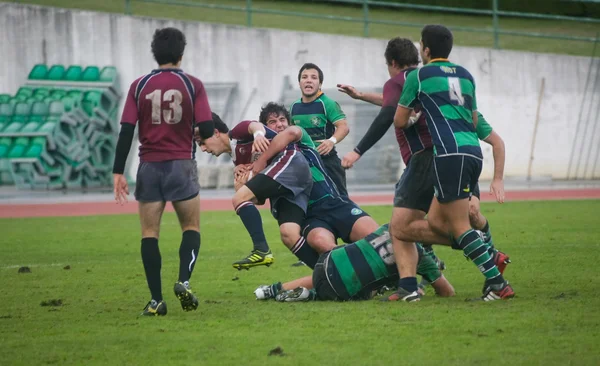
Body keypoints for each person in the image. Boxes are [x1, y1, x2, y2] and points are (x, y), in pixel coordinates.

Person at [393, 25, 514, 301]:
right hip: (472, 152)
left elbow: (399, 121)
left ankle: (497, 282)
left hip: (449, 154)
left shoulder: (419, 75)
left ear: (425, 48)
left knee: (459, 226)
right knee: (436, 220)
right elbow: (473, 121)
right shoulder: (466, 76)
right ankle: (491, 256)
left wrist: (415, 117)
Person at [112, 27, 214, 316]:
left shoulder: (139, 85)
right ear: (181, 54)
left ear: (155, 54)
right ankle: (183, 281)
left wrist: (118, 171)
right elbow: (206, 129)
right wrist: (197, 131)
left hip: (149, 167)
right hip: (181, 165)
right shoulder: (193, 85)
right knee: (191, 228)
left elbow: (127, 131)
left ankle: (156, 301)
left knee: (149, 234)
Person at [252, 104, 380, 256]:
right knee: (324, 245)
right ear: (266, 128)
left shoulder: (301, 140)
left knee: (378, 239)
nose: (279, 124)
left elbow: (292, 132)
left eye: (282, 120)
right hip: (310, 216)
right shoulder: (266, 160)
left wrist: (261, 160)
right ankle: (354, 270)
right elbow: (257, 199)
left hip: (334, 202)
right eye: (272, 122)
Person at [197, 110, 317, 270]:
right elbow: (259, 200)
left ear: (216, 133)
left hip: (291, 162)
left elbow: (254, 126)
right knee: (289, 234)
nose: (203, 149)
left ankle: (261, 250)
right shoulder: (237, 160)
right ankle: (326, 271)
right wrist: (241, 186)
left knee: (239, 198)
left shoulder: (236, 134)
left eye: (202, 142)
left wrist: (259, 134)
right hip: (289, 182)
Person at [254, 224, 455, 302]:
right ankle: (310, 296)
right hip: (341, 288)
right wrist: (427, 280)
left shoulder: (392, 225)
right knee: (377, 285)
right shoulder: (421, 256)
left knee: (337, 271)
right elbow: (447, 291)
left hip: (327, 260)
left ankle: (273, 289)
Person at [290, 63, 350, 196]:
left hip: (327, 162)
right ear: (299, 83)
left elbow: (344, 126)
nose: (309, 80)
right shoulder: (294, 107)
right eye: (304, 77)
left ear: (320, 84)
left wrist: (331, 141)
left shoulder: (327, 103)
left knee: (340, 202)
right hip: (304, 164)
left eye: (314, 77)